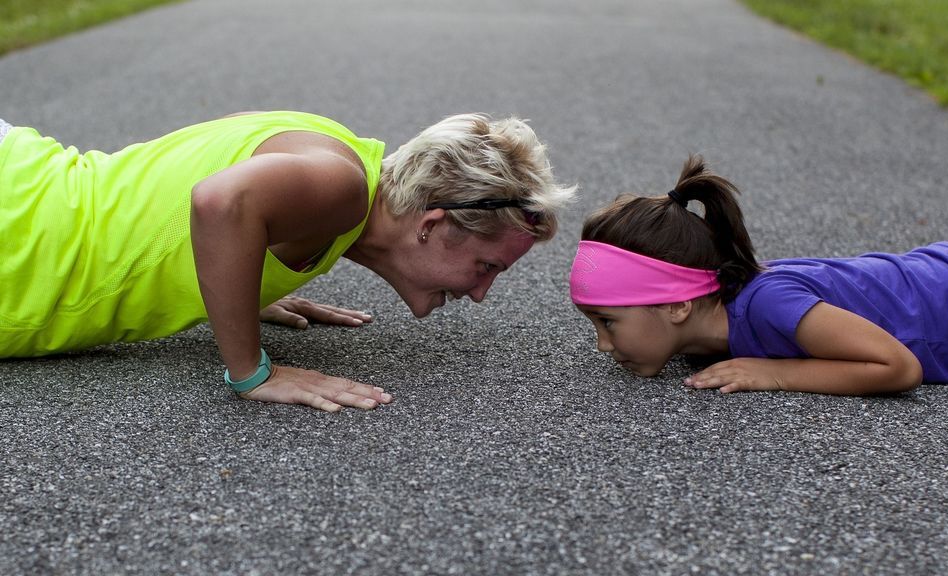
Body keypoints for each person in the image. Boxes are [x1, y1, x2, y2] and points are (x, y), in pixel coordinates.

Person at [0, 111, 575, 411]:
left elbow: (189, 194)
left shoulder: (341, 166)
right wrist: (253, 371)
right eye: (487, 267)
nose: (481, 293)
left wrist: (239, 282)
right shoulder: (342, 187)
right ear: (432, 225)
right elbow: (220, 201)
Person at [569, 155, 948, 396]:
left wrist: (776, 374)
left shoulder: (768, 304)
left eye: (608, 322)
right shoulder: (706, 332)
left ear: (676, 304)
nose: (603, 345)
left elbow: (898, 367)